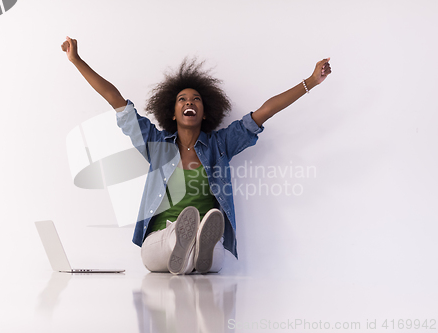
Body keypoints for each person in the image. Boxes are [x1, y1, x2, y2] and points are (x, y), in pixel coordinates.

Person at [61, 36, 332, 275]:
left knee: (213, 259)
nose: (189, 102)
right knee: (167, 247)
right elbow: (115, 99)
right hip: (159, 239)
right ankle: (179, 239)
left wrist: (311, 81)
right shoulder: (155, 143)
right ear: (173, 112)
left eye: (196, 99)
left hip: (206, 243)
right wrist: (77, 59)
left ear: (205, 112)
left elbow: (265, 111)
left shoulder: (221, 144)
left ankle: (197, 244)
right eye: (182, 99)